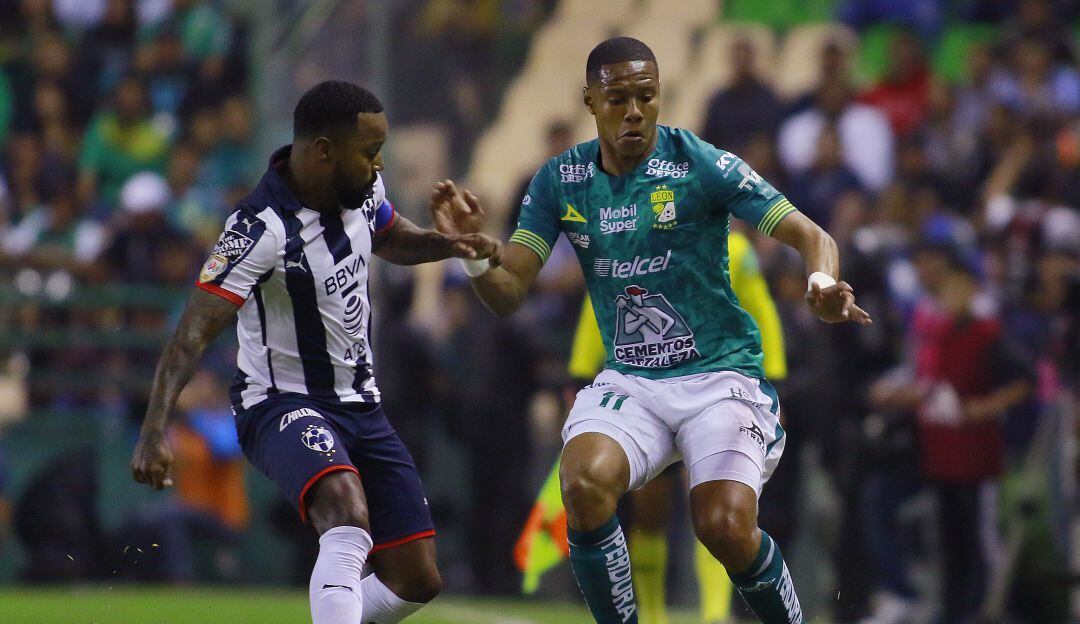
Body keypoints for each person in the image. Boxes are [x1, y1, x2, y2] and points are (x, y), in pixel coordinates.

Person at [430, 37, 871, 624]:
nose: (634, 111)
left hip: (719, 375)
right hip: (633, 381)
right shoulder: (560, 181)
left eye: (647, 96)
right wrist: (474, 256)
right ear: (590, 100)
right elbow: (509, 292)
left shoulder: (699, 163)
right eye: (618, 99)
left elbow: (814, 235)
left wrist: (819, 283)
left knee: (723, 525)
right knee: (583, 482)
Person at [130, 80, 503, 623]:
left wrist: (452, 244)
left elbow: (392, 237)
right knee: (346, 513)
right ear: (324, 151)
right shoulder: (259, 227)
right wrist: (154, 429)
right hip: (280, 404)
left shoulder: (361, 194)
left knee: (416, 578)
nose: (379, 166)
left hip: (362, 406)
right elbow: (194, 329)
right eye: (370, 152)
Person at [564, 224, 789, 624]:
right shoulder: (624, 242)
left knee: (713, 509)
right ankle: (651, 614)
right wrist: (580, 372)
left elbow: (761, 309)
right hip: (644, 391)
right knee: (649, 512)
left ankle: (714, 615)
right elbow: (598, 306)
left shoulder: (734, 248)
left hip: (715, 390)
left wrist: (773, 377)